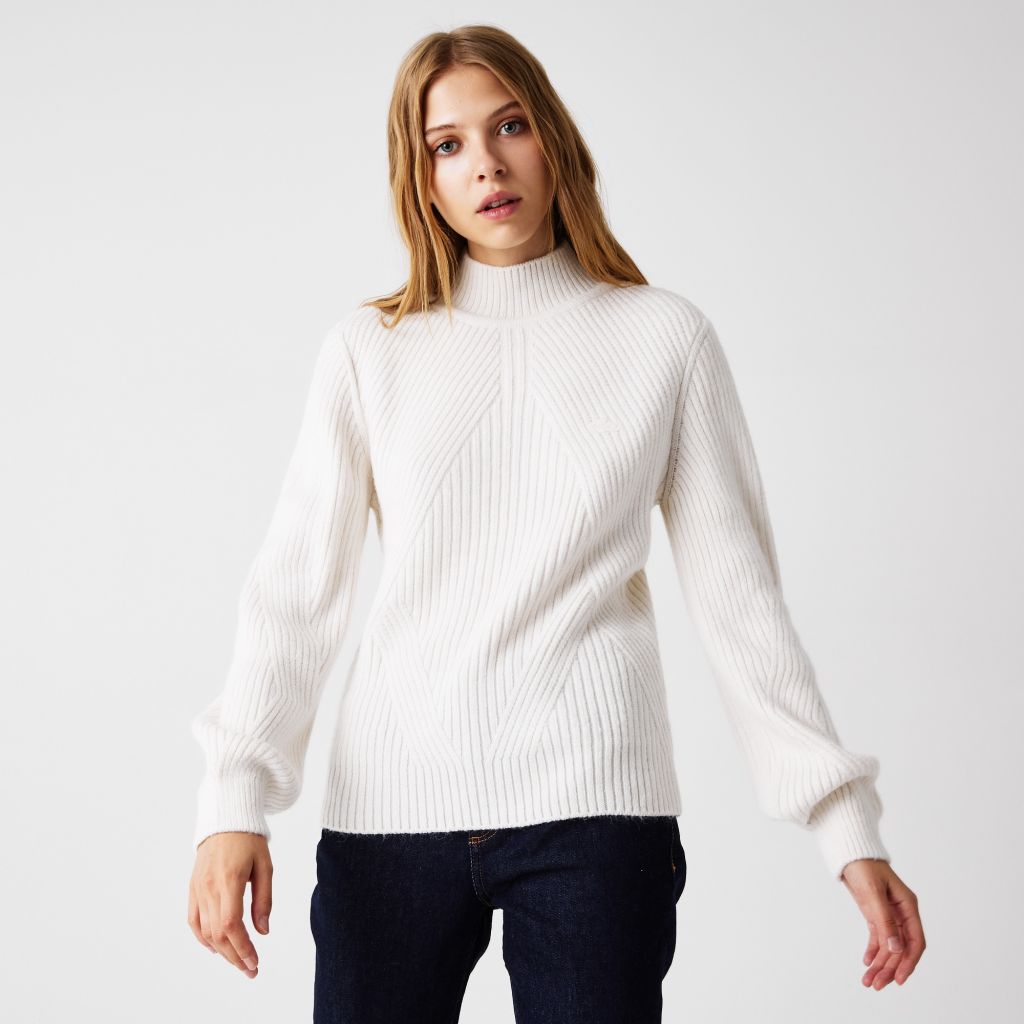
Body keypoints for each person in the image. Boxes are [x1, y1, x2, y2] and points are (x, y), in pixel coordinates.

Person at [187, 24, 926, 1021]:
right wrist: (232, 803)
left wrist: (846, 828)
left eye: (510, 126)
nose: (486, 165)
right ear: (421, 177)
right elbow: (295, 591)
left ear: (554, 138)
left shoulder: (663, 338)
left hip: (595, 816)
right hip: (391, 812)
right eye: (447, 144)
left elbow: (740, 604)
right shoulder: (370, 349)